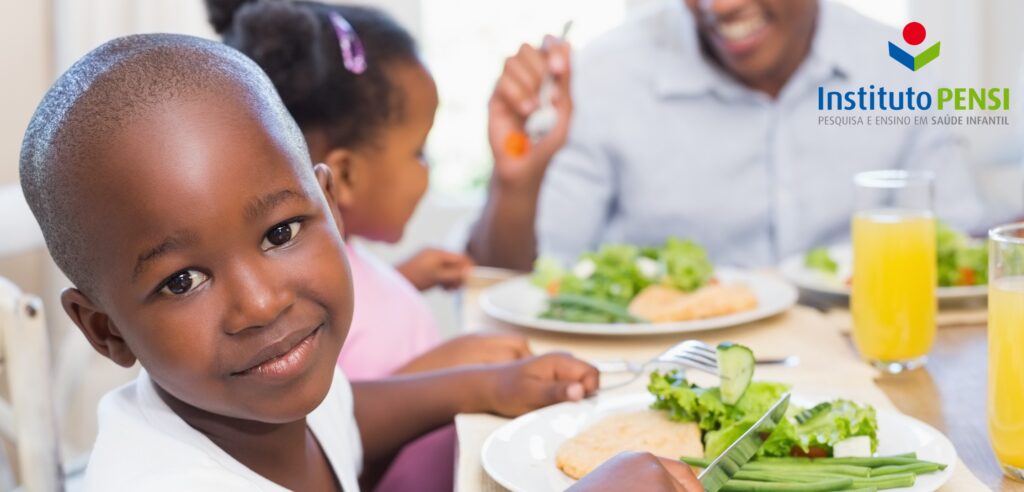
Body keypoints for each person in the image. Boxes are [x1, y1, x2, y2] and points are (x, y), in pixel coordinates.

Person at [19, 33, 701, 492]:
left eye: (281, 231)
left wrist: (487, 386)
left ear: (331, 207)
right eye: (182, 280)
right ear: (104, 330)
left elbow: (348, 418)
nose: (261, 304)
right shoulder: (165, 479)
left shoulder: (258, 402)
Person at [204, 2, 548, 488]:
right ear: (342, 176)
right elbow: (324, 427)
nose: (425, 171)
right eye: (418, 151)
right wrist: (443, 373)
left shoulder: (337, 263)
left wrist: (404, 279)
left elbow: (349, 322)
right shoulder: (281, 306)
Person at [470, 0, 989, 270]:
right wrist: (515, 185)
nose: (719, 7)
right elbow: (510, 281)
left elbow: (964, 249)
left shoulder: (900, 68)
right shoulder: (602, 77)